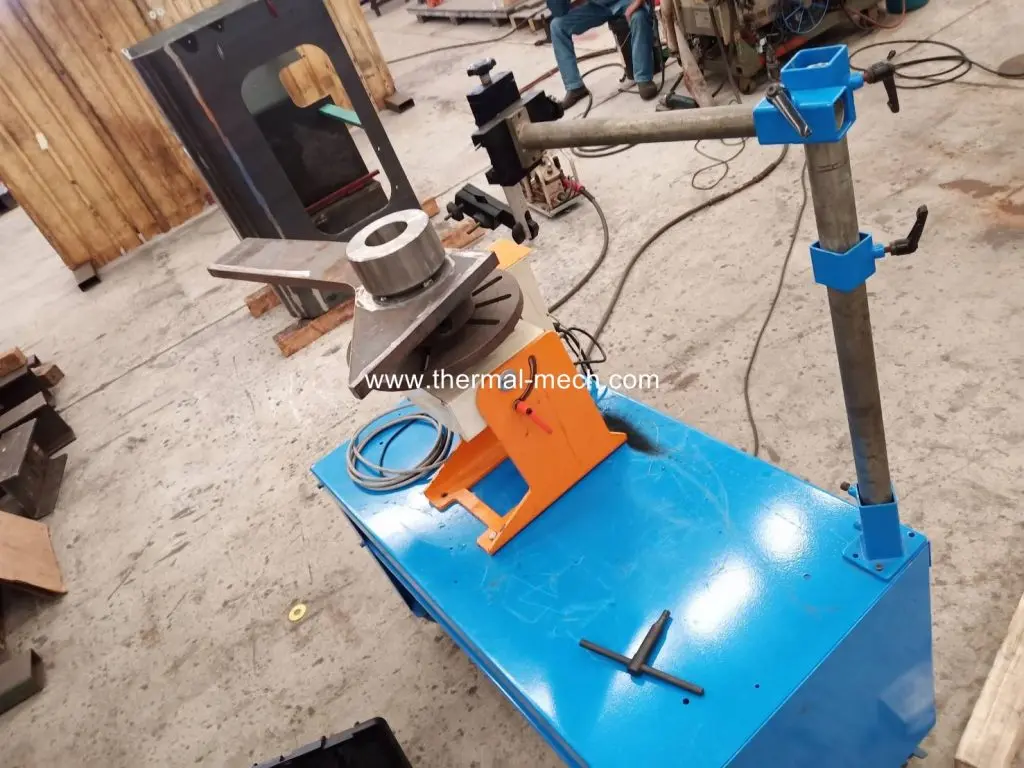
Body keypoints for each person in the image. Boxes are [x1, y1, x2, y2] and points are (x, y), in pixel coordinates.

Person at [547, 0, 657, 109]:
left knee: (639, 17)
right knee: (557, 26)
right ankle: (574, 86)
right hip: (598, 6)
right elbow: (559, 11)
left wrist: (638, 2)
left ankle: (643, 78)